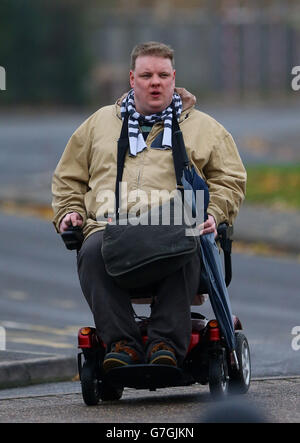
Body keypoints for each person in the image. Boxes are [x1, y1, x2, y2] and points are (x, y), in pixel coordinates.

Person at [52, 41, 246, 373]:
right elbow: (69, 178)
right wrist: (70, 211)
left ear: (173, 78)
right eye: (146, 75)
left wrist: (213, 212)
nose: (154, 82)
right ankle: (122, 344)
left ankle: (165, 344)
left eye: (162, 75)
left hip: (176, 227)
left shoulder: (205, 129)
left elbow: (230, 179)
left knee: (188, 239)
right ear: (132, 78)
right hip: (110, 228)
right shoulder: (98, 125)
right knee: (92, 249)